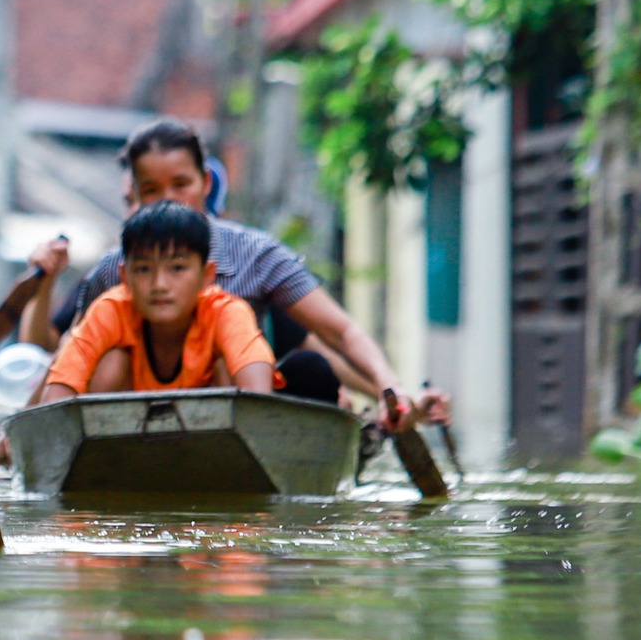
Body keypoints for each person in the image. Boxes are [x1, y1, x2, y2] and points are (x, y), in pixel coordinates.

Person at [28, 119, 445, 431]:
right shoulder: (113, 269)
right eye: (151, 191)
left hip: (230, 413)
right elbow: (68, 354)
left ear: (205, 183)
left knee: (308, 367)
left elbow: (337, 333)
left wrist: (390, 388)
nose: (169, 201)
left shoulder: (254, 257)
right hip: (133, 415)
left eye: (180, 185)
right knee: (109, 359)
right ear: (133, 194)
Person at [34, 202, 281, 404]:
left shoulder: (227, 311)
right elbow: (58, 394)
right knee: (110, 363)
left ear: (207, 275)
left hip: (208, 446)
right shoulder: (111, 309)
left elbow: (258, 397)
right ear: (124, 278)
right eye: (143, 269)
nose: (159, 284)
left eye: (177, 268)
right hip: (124, 444)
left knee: (228, 369)